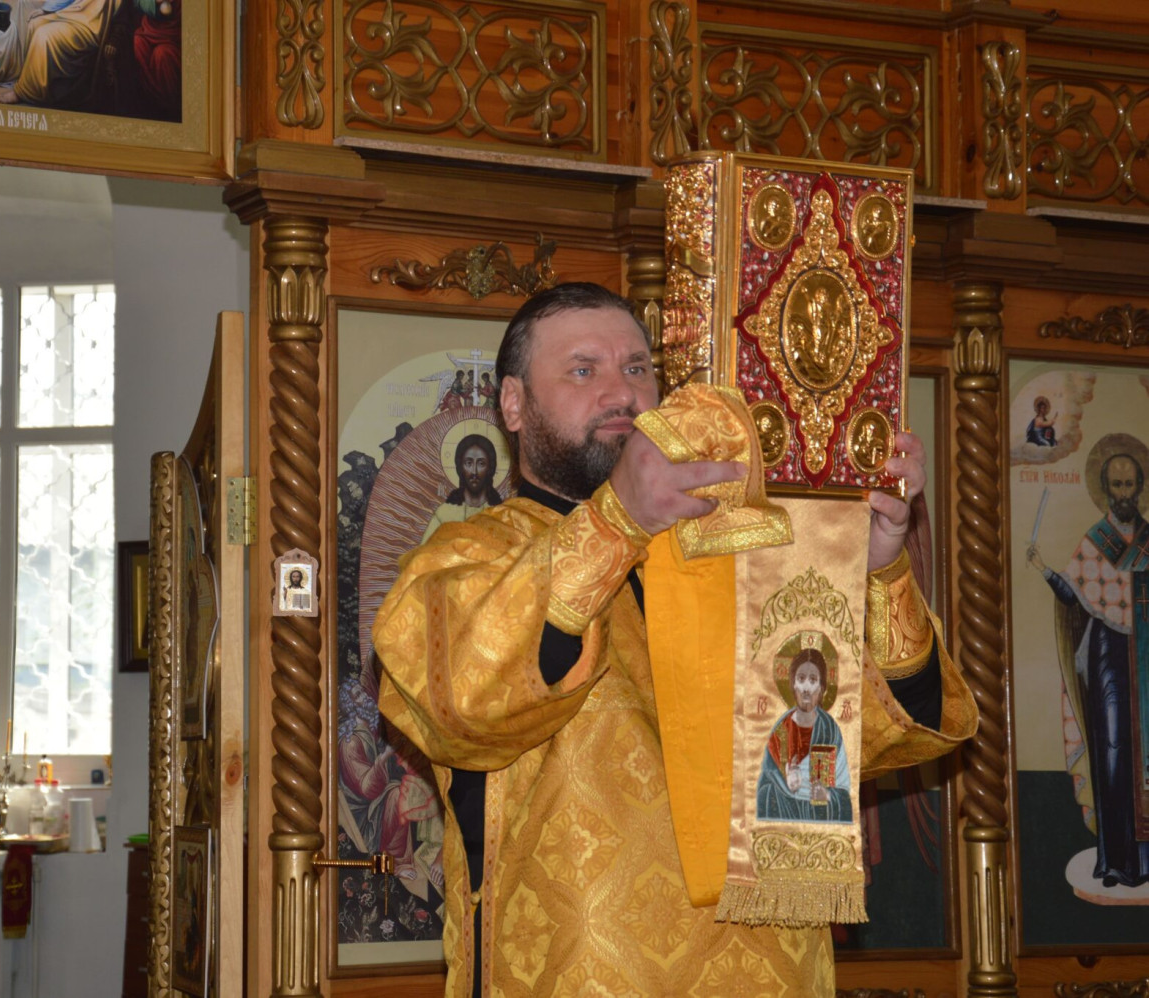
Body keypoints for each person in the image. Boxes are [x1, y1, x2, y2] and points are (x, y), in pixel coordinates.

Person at [373, 282, 978, 997]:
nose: (621, 392)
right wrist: (617, 521)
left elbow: (885, 737)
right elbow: (466, 703)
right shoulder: (465, 561)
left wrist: (876, 572)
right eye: (583, 369)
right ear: (513, 404)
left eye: (637, 368)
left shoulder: (745, 564)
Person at [1027, 442, 1149, 888]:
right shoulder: (1096, 542)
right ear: (1105, 489)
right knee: (1113, 753)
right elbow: (1074, 595)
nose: (1124, 492)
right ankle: (1115, 860)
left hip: (1146, 660)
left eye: (1130, 484)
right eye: (1116, 484)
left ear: (1140, 487)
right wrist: (1045, 570)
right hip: (1109, 659)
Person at [756, 646, 853, 823]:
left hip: (820, 815)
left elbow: (846, 794)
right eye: (801, 679)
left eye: (813, 680)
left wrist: (828, 795)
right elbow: (764, 787)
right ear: (793, 684)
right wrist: (785, 783)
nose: (806, 688)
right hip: (784, 811)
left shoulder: (830, 731)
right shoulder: (780, 732)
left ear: (822, 688)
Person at [420, 433, 504, 542]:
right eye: (468, 463)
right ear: (460, 467)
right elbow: (426, 550)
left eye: (481, 464)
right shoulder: (444, 514)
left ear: (490, 468)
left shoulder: (501, 515)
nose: (474, 472)